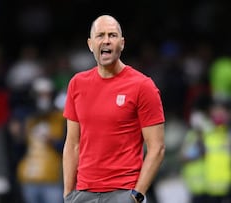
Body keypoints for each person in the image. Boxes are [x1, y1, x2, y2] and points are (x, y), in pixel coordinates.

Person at [62, 15, 165, 203]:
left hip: (123, 193)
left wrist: (136, 196)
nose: (106, 40)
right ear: (90, 44)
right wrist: (68, 194)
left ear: (122, 43)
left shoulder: (143, 86)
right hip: (83, 194)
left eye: (113, 35)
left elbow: (156, 148)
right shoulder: (77, 84)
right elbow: (72, 143)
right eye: (100, 35)